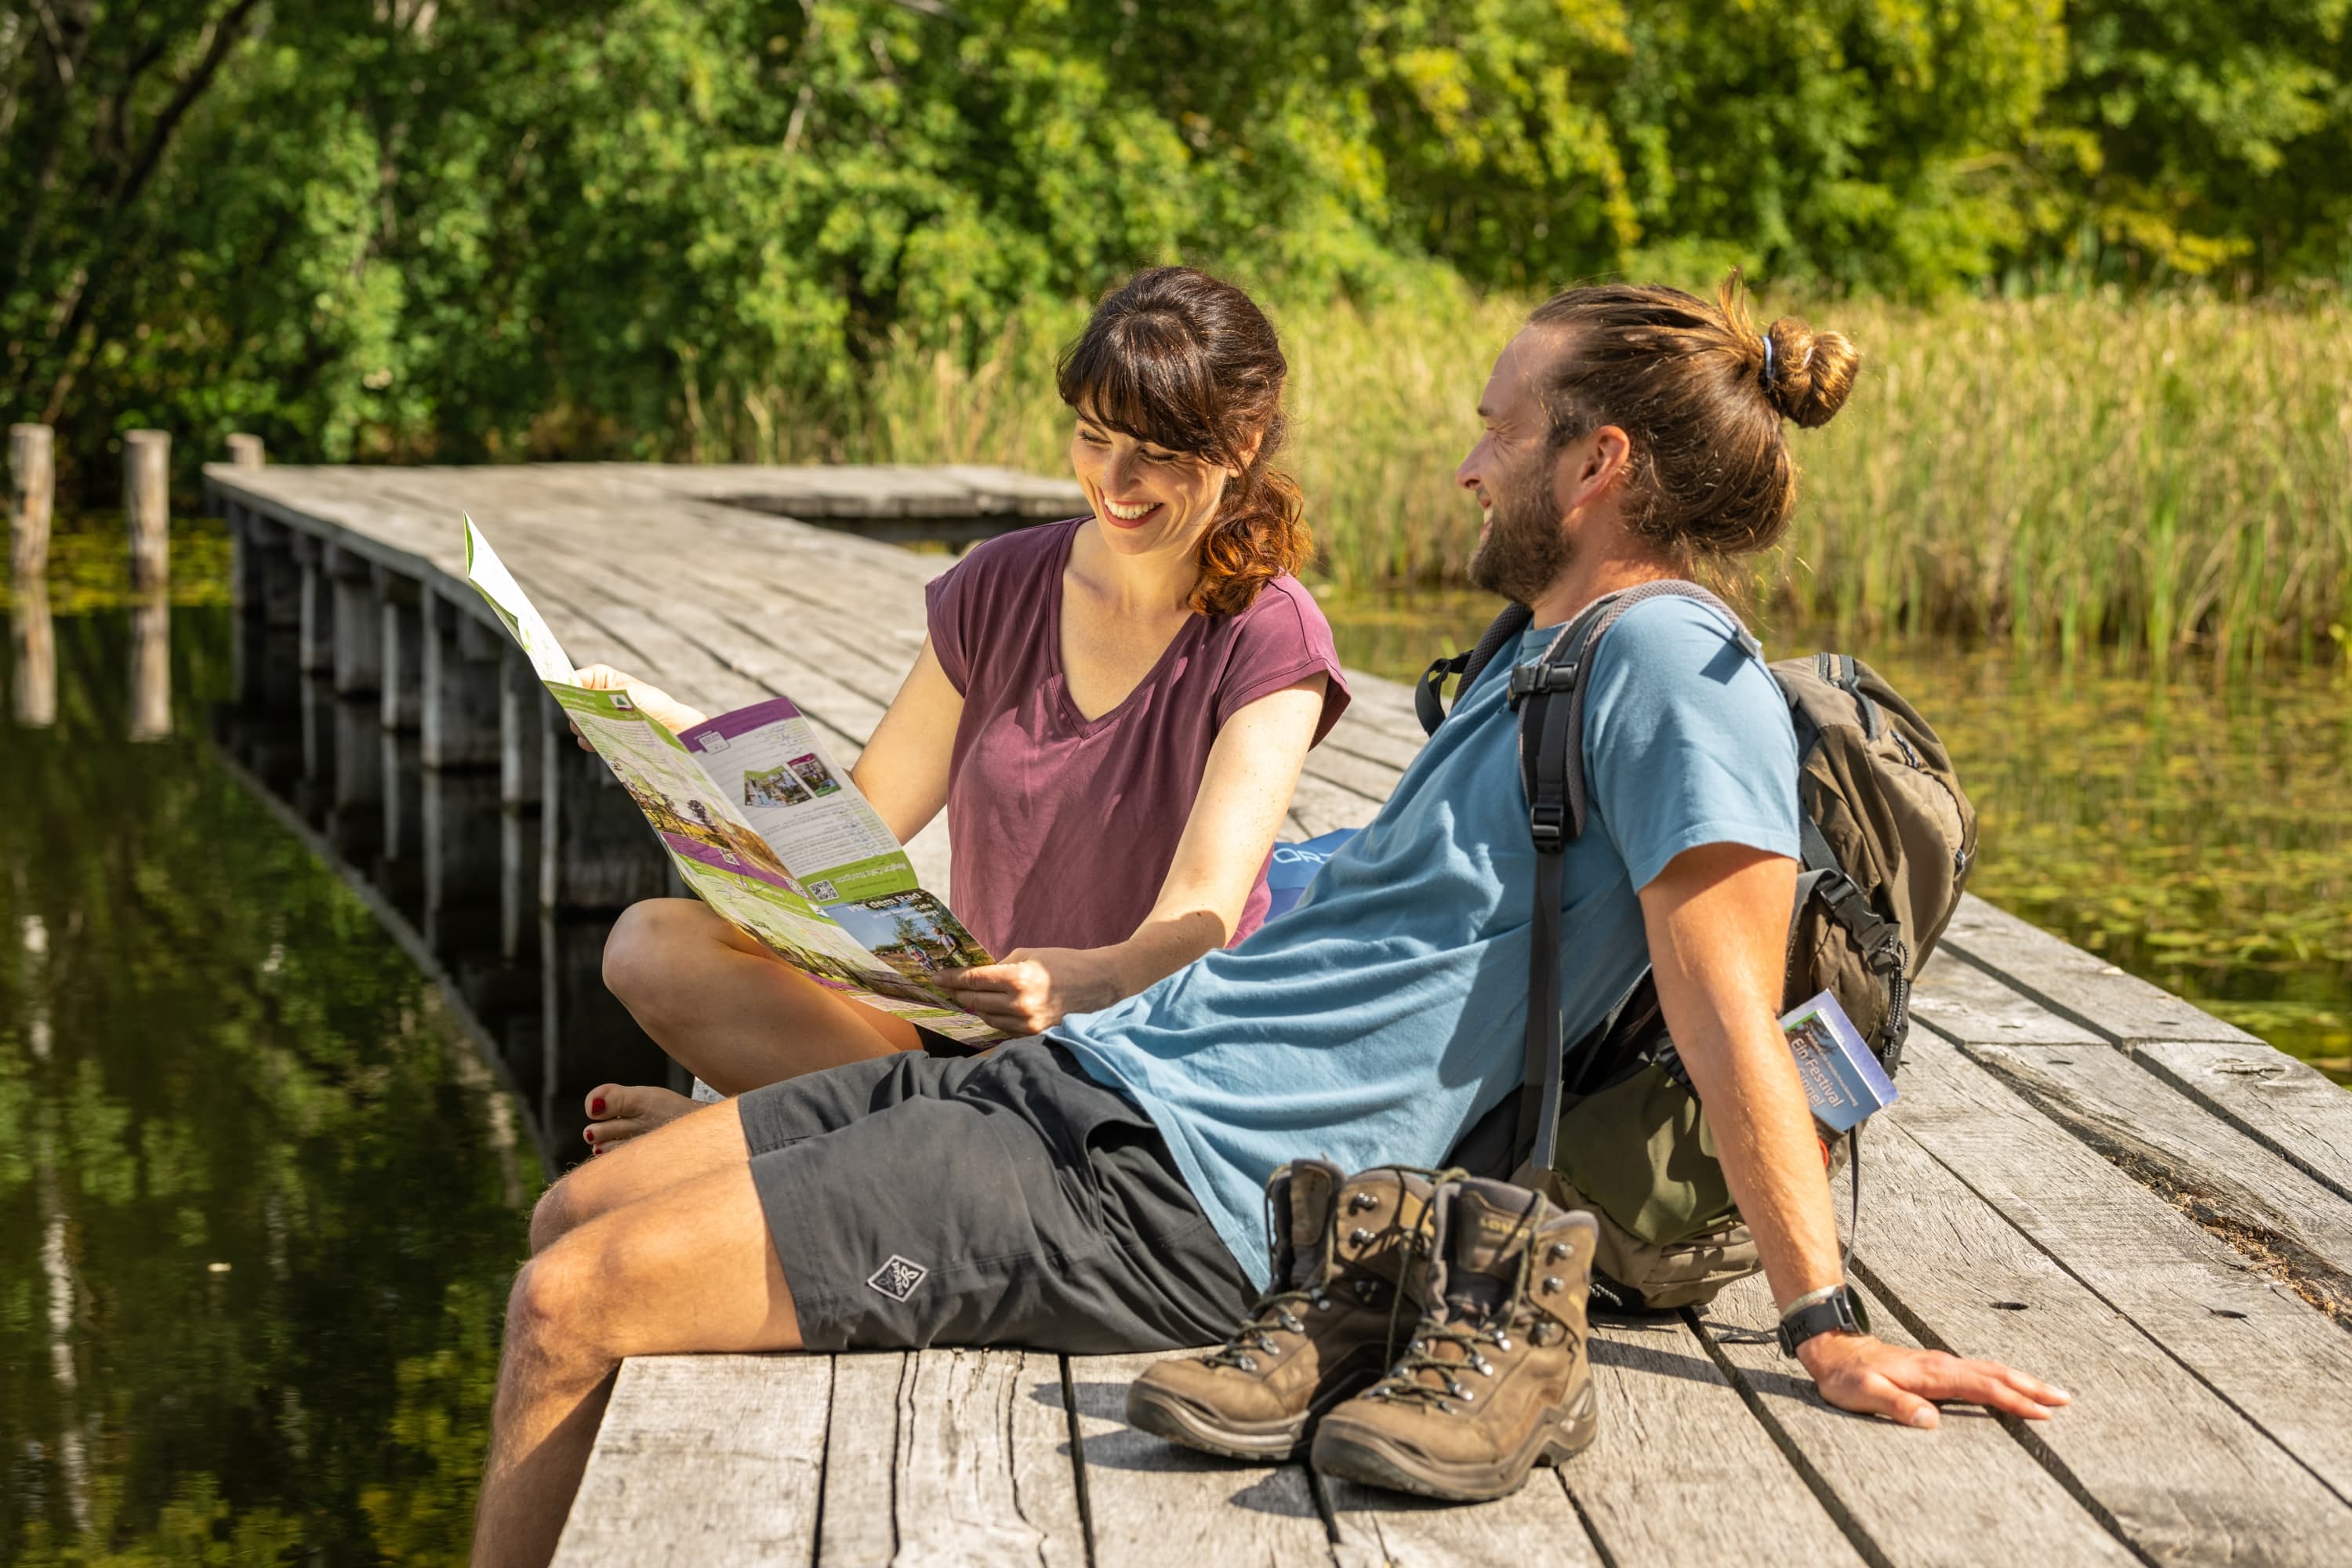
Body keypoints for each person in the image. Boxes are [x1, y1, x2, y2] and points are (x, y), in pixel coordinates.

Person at [467, 276, 2065, 1566]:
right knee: (567, 1220)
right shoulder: (1538, 656)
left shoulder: (1674, 670)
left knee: (572, 1302)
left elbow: (1727, 1011)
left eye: (1497, 432)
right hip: (1090, 1081)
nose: (1469, 465)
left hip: (1183, 1191)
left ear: (1599, 465)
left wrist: (1824, 1319)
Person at [573, 267, 1350, 1145]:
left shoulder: (1271, 633)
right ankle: (860, 1136)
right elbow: (860, 827)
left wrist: (1081, 981)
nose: (1115, 479)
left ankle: (750, 1137)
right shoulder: (999, 583)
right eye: (1093, 435)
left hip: (1135, 1052)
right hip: (979, 1025)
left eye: (1158, 453)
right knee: (651, 945)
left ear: (1242, 442)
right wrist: (681, 740)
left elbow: (1203, 915)